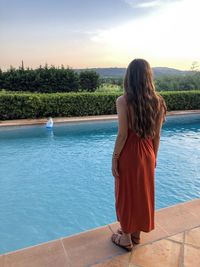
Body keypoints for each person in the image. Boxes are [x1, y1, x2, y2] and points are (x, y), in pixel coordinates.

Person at [111, 58, 167, 251]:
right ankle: (135, 234)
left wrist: (114, 158)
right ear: (148, 77)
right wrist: (154, 157)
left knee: (126, 193)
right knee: (142, 193)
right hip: (148, 153)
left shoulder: (123, 101)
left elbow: (123, 134)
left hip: (129, 154)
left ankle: (125, 237)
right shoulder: (158, 101)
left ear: (129, 77)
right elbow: (157, 136)